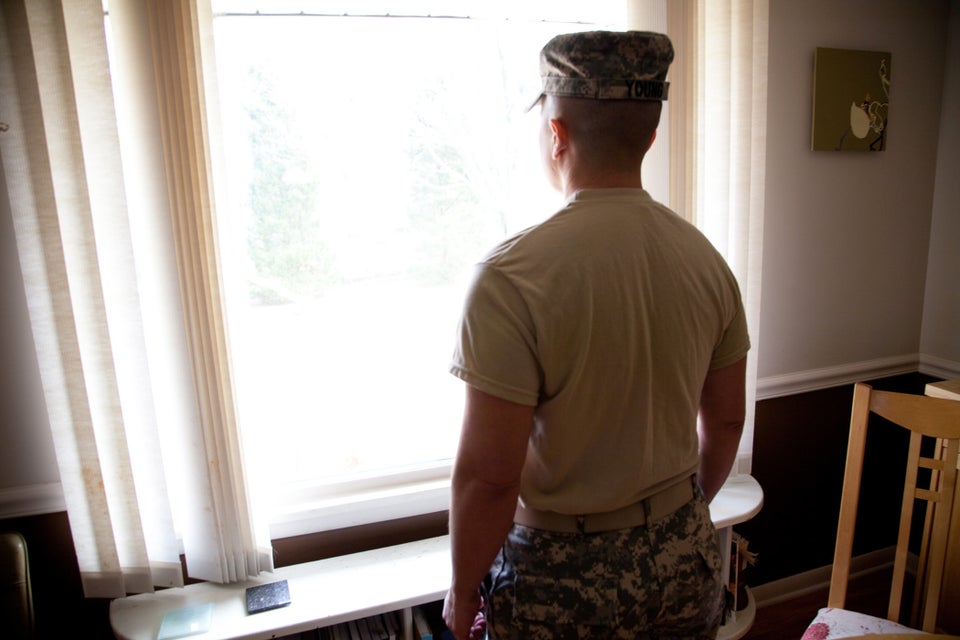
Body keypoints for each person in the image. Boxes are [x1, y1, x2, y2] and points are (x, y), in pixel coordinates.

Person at [442, 30, 750, 640]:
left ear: (556, 134)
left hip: (559, 576)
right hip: (682, 561)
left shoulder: (510, 277)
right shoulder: (708, 261)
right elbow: (727, 424)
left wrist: (460, 590)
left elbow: (489, 477)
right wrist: (680, 521)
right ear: (651, 135)